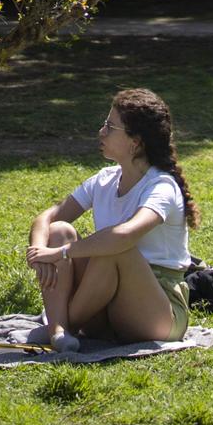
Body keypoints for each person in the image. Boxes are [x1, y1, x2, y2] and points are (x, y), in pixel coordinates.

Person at [24, 88, 199, 351]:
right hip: (108, 306)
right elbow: (47, 218)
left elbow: (125, 236)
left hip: (159, 313)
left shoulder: (162, 186)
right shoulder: (104, 179)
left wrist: (59, 254)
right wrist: (40, 254)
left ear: (135, 142)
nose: (101, 132)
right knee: (60, 230)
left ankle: (60, 326)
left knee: (116, 249)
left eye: (110, 126)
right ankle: (59, 331)